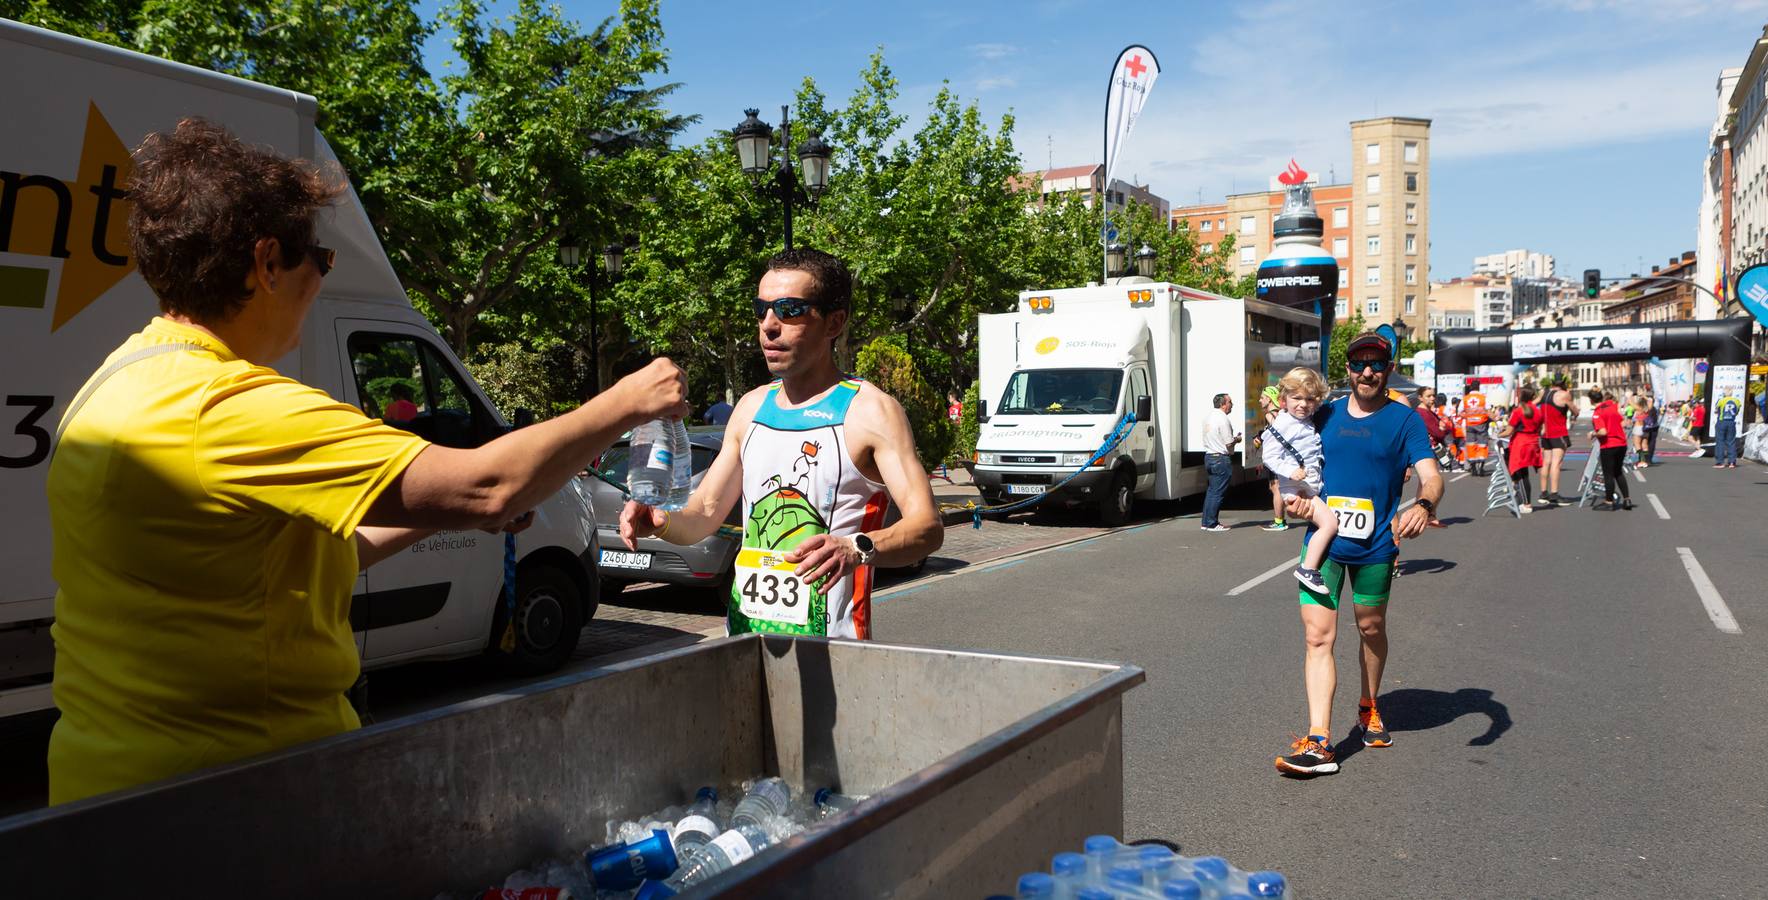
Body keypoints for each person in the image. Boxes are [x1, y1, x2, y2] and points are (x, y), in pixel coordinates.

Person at [45, 119, 688, 805]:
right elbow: (491, 486)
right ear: (266, 264)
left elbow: (301, 563)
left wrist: (446, 516)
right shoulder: (229, 406)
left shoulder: (117, 380)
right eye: (318, 261)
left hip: (106, 791)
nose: (321, 280)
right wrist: (626, 400)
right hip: (231, 801)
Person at [619, 249, 943, 638]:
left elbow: (927, 527)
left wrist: (855, 548)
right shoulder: (751, 407)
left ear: (834, 322)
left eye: (789, 310)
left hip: (836, 657)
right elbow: (705, 511)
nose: (769, 326)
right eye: (762, 309)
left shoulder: (871, 412)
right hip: (746, 642)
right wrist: (661, 520)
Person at [1274, 332, 1444, 777]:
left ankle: (1369, 703)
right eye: (1358, 363)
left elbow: (1431, 476)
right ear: (1347, 369)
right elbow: (1288, 452)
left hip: (1375, 547)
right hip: (1323, 543)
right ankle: (1319, 740)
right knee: (1317, 637)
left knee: (1370, 627)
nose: (1366, 371)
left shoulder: (1402, 421)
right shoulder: (1323, 413)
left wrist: (1424, 506)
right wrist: (1293, 495)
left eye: (1376, 363)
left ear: (1388, 369)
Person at [1258, 368, 1337, 593]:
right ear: (1283, 400)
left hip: (1307, 486)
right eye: (1297, 398)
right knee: (1329, 524)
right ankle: (1308, 568)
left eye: (1310, 399)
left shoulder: (1305, 419)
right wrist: (1291, 470)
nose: (1303, 404)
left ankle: (1310, 567)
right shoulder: (1283, 424)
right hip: (1295, 488)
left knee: (1326, 523)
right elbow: (1269, 456)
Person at [1199, 392, 1241, 532]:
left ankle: (1206, 521)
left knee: (1211, 491)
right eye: (1230, 402)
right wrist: (1237, 439)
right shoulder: (1223, 419)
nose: (1232, 405)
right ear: (1223, 404)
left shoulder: (1208, 417)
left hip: (1209, 456)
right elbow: (1228, 443)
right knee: (1217, 492)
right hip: (1220, 458)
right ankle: (1212, 523)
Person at [1499, 386, 1544, 512]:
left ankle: (1527, 503)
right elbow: (1540, 429)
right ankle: (1517, 489)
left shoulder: (1518, 411)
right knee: (1523, 473)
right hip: (1533, 442)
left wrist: (1498, 434)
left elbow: (1508, 431)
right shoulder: (1538, 411)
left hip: (1521, 443)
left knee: (1522, 473)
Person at [1589, 389, 1633, 510]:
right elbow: (1623, 422)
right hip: (1621, 443)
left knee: (1608, 474)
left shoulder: (1597, 413)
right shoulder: (1612, 407)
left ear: (1591, 400)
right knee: (1618, 472)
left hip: (1609, 445)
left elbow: (1603, 432)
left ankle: (1609, 502)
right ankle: (1627, 499)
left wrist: (1593, 433)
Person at [1538, 382, 1573, 504]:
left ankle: (1543, 492)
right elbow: (1575, 411)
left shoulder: (1543, 394)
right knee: (1556, 463)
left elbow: (1532, 404)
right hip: (1558, 433)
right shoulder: (1564, 395)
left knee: (1546, 462)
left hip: (1545, 433)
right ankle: (1554, 493)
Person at [1714, 391, 1743, 469]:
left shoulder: (1721, 400)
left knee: (1720, 442)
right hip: (1731, 422)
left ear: (1724, 393)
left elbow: (1716, 410)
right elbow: (1737, 412)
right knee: (1731, 442)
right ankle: (1732, 462)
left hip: (1722, 422)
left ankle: (1720, 462)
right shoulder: (1737, 401)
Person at [1639, 395, 1659, 467]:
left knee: (1649, 443)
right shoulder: (1650, 407)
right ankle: (1646, 459)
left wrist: (1645, 397)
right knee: (1647, 443)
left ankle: (1647, 459)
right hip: (1650, 427)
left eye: (1648, 401)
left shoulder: (1652, 408)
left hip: (1651, 428)